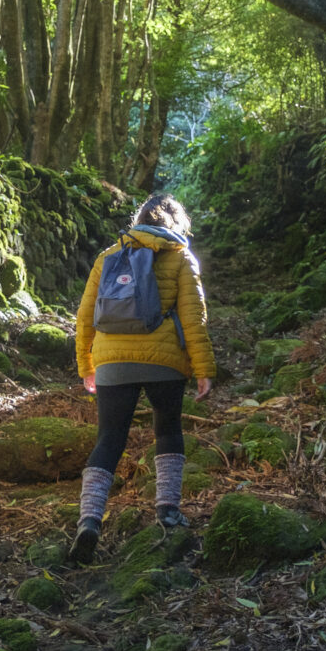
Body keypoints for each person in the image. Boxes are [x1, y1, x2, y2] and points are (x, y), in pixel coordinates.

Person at [68, 193, 216, 563]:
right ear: (177, 221)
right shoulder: (181, 257)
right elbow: (194, 319)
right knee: (167, 430)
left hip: (112, 361)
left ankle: (89, 520)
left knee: (109, 438)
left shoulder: (108, 256)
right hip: (164, 361)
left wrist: (87, 364)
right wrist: (204, 369)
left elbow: (85, 316)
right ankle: (167, 510)